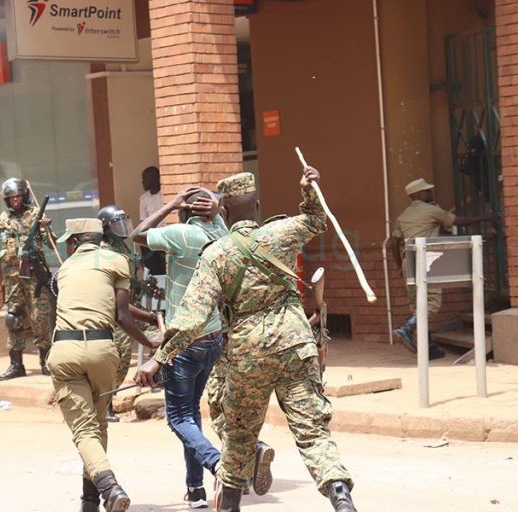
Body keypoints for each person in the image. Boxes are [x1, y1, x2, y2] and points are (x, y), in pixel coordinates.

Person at [135, 170, 357, 512]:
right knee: (313, 432)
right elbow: (316, 220)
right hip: (294, 345)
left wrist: (159, 358)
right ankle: (340, 495)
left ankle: (229, 504)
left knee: (238, 438)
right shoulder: (281, 232)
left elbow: (192, 317)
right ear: (256, 205)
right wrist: (309, 190)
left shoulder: (216, 254)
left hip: (248, 353)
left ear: (224, 211)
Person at [131, 186, 273, 507]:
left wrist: (170, 205)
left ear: (186, 211)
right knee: (191, 413)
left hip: (184, 340)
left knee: (178, 417)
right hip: (213, 337)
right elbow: (226, 221)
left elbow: (137, 234)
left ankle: (218, 464)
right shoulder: (223, 236)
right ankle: (195, 490)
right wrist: (218, 210)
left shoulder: (181, 235)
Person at [48, 218, 160, 512]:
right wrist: (149, 342)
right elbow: (121, 314)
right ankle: (90, 501)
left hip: (66, 350)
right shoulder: (117, 261)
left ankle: (109, 488)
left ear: (76, 241)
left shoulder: (65, 269)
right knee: (97, 427)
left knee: (84, 431)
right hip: (102, 351)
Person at [389, 178, 497, 359]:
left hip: (408, 260)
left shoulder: (404, 215)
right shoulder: (430, 210)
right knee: (432, 303)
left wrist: (400, 266)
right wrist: (486, 218)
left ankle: (428, 347)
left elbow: (393, 242)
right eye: (427, 191)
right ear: (419, 194)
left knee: (418, 305)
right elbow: (459, 221)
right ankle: (406, 328)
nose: (430, 192)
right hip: (426, 259)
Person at [97, 204, 160, 422]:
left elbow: (130, 280)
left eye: (124, 222)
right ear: (106, 228)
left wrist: (145, 287)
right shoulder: (103, 251)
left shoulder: (123, 247)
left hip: (133, 306)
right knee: (120, 357)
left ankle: (154, 378)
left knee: (161, 335)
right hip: (117, 311)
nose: (123, 228)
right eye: (118, 224)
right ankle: (106, 404)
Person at [0, 178, 54, 381]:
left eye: (18, 196)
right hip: (12, 277)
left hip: (34, 276)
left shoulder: (35, 214)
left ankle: (46, 361)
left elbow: (51, 242)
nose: (15, 200)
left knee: (40, 318)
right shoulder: (3, 218)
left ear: (24, 196)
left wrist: (46, 226)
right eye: (11, 198)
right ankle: (16, 364)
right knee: (13, 319)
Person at [138, 166, 166, 276]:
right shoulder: (143, 199)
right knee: (154, 269)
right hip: (153, 239)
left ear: (153, 179)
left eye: (144, 179)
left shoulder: (165, 194)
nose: (142, 182)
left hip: (166, 236)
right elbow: (143, 222)